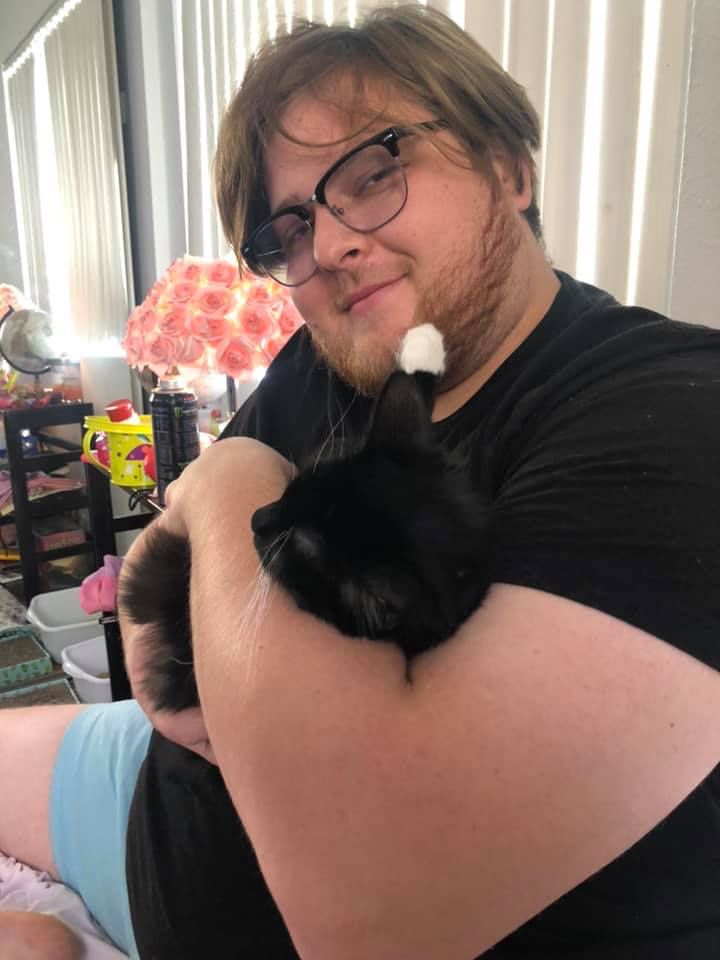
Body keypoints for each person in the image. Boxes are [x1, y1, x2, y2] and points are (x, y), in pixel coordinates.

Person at [1, 5, 719, 958]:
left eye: (375, 172)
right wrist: (159, 668)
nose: (331, 246)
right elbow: (158, 564)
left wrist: (232, 477)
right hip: (139, 784)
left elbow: (376, 916)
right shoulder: (330, 363)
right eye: (289, 229)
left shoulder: (672, 414)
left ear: (509, 166)